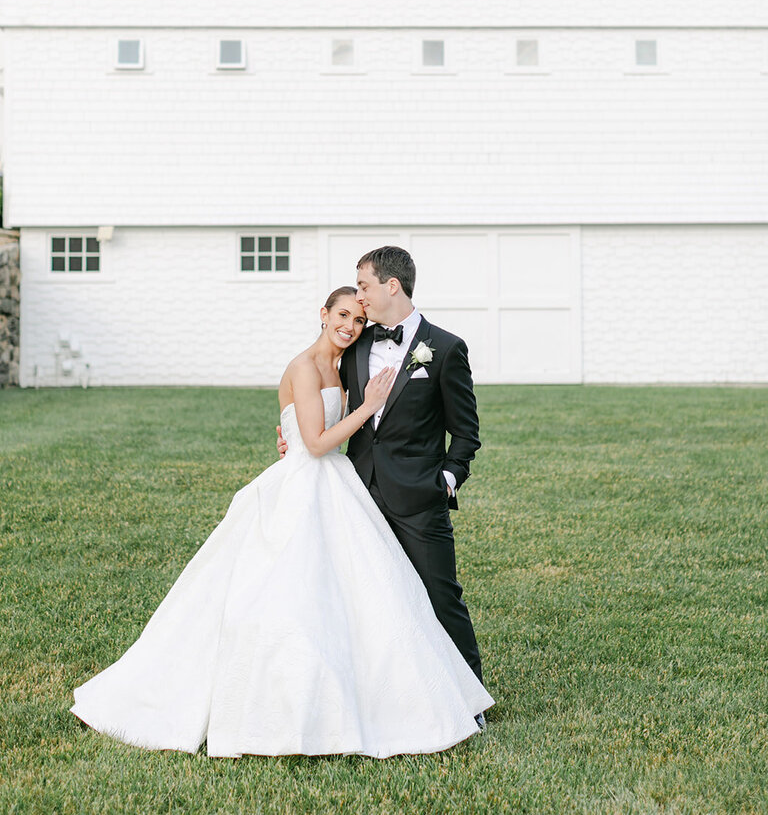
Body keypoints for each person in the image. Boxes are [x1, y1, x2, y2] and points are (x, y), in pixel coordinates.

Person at [70, 287, 492, 758]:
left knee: (374, 593)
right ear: (323, 314)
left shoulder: (348, 362)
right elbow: (313, 443)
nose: (350, 326)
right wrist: (361, 409)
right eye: (342, 316)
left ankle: (414, 693)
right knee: (289, 595)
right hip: (306, 485)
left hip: (343, 484)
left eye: (357, 318)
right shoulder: (304, 366)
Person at [277, 248, 486, 715]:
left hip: (418, 496)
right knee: (367, 596)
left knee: (438, 592)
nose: (360, 299)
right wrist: (292, 432)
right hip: (354, 492)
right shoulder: (358, 344)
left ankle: (470, 698)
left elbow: (466, 432)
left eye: (365, 286)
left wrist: (447, 481)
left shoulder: (446, 348)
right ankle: (383, 695)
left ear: (392, 285)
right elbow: (323, 401)